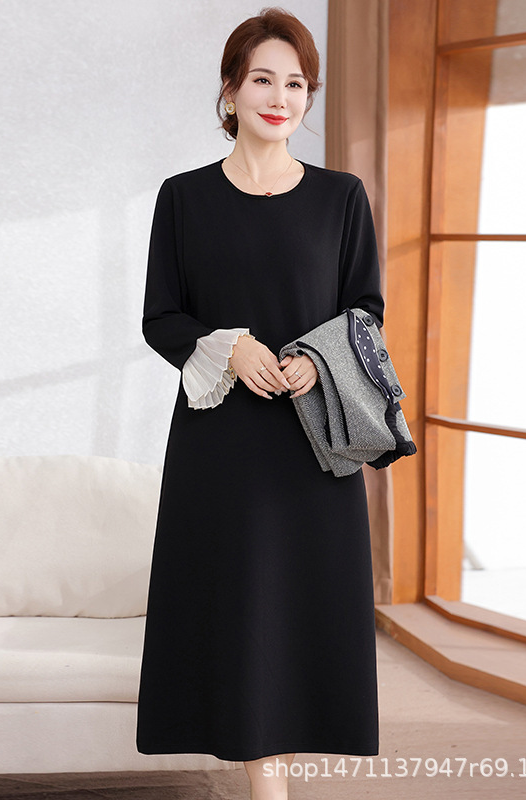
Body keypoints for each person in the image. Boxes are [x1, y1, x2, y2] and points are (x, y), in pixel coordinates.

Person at [137, 7, 384, 799]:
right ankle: (264, 781)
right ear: (230, 90)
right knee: (237, 608)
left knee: (302, 609)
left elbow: (365, 310)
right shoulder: (183, 198)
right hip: (220, 446)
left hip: (313, 445)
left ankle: (270, 770)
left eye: (297, 84)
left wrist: (314, 357)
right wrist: (230, 348)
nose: (281, 98)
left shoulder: (341, 198)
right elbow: (160, 317)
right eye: (264, 80)